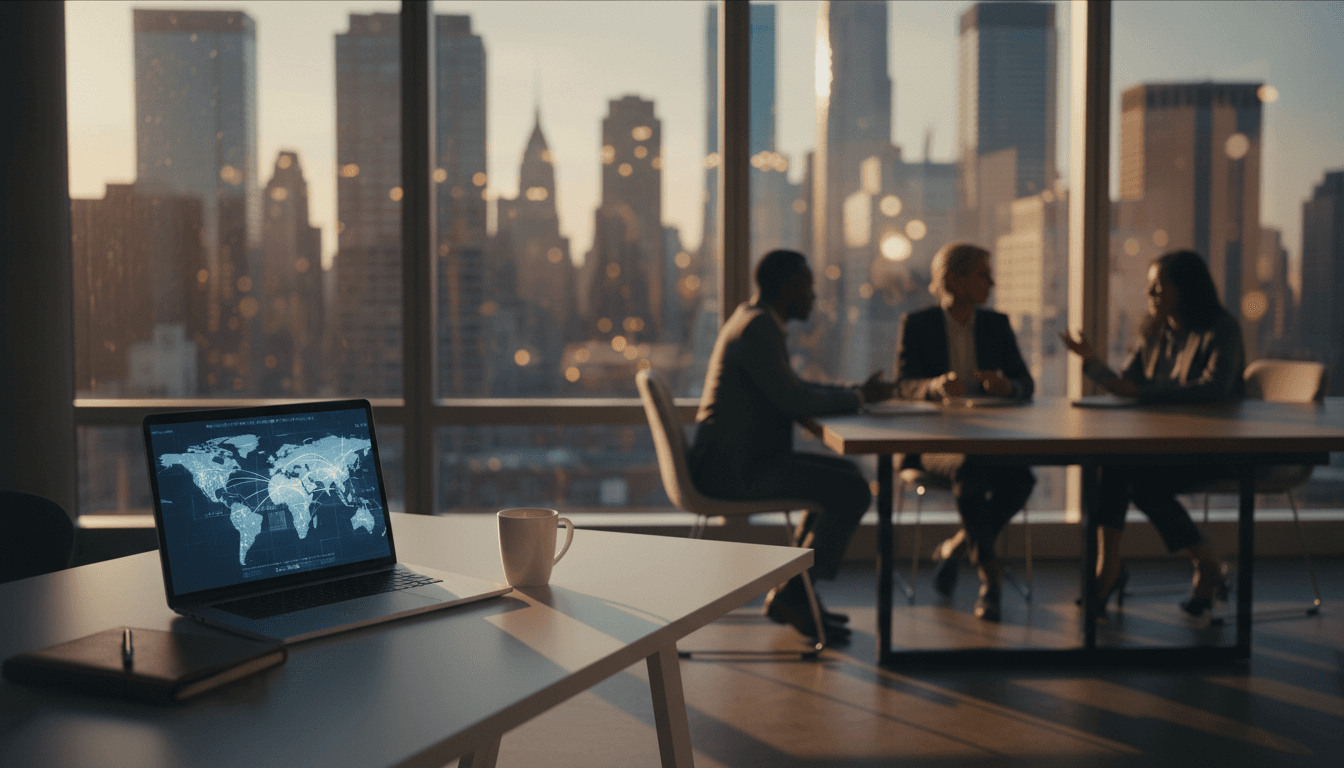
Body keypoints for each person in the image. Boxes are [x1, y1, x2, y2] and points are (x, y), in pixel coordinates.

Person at [689, 249, 895, 643]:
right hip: (734, 471)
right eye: (807, 285)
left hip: (734, 461)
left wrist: (856, 393)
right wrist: (858, 397)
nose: (814, 295)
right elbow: (795, 401)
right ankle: (795, 593)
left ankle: (796, 593)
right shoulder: (759, 329)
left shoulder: (754, 320)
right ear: (787, 288)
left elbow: (793, 391)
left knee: (845, 478)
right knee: (849, 487)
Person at [1060, 249, 1244, 618]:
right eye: (1149, 286)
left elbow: (1215, 390)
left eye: (1159, 286)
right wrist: (1091, 362)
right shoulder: (1157, 333)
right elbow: (1127, 385)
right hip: (1162, 449)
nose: (1151, 294)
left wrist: (1145, 393)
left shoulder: (1221, 330)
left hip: (1211, 450)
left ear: (1186, 288)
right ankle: (1125, 564)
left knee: (1126, 473)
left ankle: (1114, 570)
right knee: (1114, 466)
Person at [893, 242, 1036, 622]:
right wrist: (935, 388)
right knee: (970, 471)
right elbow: (903, 385)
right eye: (982, 273)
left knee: (1021, 480)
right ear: (953, 278)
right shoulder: (918, 324)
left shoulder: (997, 325)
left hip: (989, 440)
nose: (992, 281)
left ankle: (954, 549)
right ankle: (990, 577)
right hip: (932, 443)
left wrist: (1008, 387)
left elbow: (1026, 382)